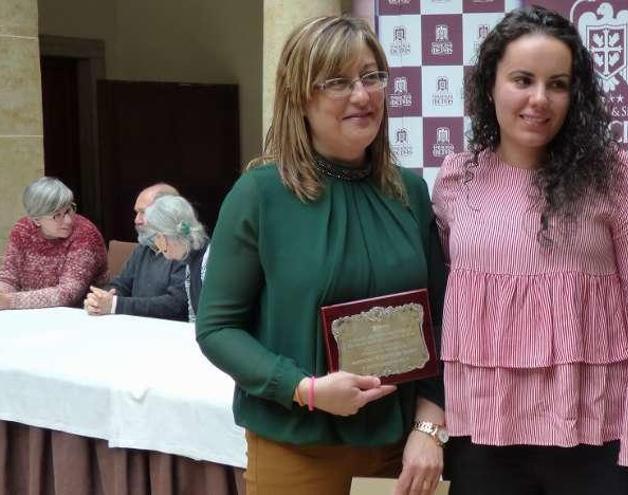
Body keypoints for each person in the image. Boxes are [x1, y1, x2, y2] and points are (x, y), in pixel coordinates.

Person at [432, 7, 628, 495]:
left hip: (596, 442)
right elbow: (449, 309)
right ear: (490, 86)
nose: (539, 99)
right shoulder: (455, 181)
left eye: (558, 84)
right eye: (522, 80)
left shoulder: (615, 177)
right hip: (484, 442)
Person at [196, 15, 447, 495]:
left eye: (371, 76)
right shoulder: (260, 196)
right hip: (298, 450)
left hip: (404, 453)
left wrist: (429, 425)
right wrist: (305, 389)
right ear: (300, 97)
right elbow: (217, 329)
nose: (362, 94)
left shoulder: (409, 193)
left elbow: (442, 320)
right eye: (338, 81)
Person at [84, 183, 188, 320]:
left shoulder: (186, 248)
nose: (136, 220)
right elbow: (121, 284)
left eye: (143, 212)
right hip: (137, 327)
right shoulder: (145, 246)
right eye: (136, 212)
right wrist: (100, 299)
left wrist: (115, 304)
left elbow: (176, 304)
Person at [0, 177, 107, 310]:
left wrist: (9, 301)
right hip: (31, 313)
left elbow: (68, 294)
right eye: (57, 215)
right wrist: (2, 295)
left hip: (81, 314)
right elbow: (9, 278)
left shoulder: (85, 234)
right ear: (36, 220)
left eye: (69, 210)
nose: (68, 220)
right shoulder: (23, 230)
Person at [142, 195, 210, 323]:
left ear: (163, 237)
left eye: (155, 237)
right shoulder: (190, 261)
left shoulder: (208, 260)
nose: (156, 245)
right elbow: (193, 317)